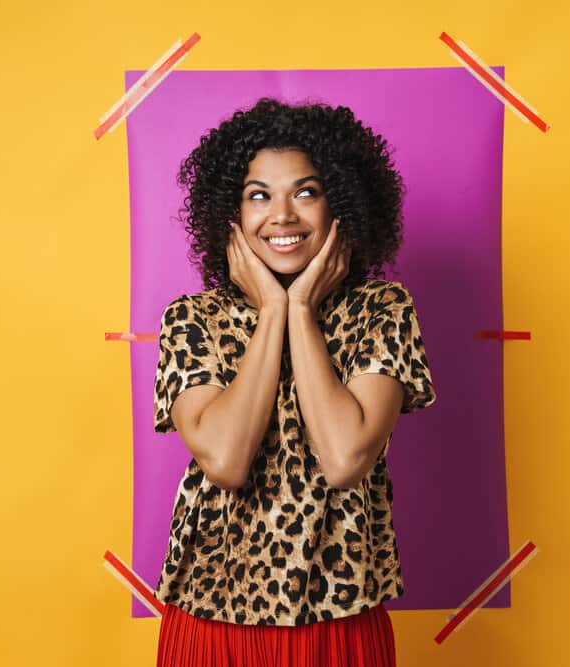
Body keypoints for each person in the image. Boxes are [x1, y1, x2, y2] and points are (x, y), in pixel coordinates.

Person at [152, 97, 437, 666]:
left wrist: (300, 307)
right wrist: (271, 315)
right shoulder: (191, 320)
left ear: (341, 206)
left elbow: (344, 457)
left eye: (305, 192)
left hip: (340, 614)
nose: (281, 215)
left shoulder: (382, 310)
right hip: (212, 616)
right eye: (259, 196)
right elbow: (227, 460)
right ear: (230, 214)